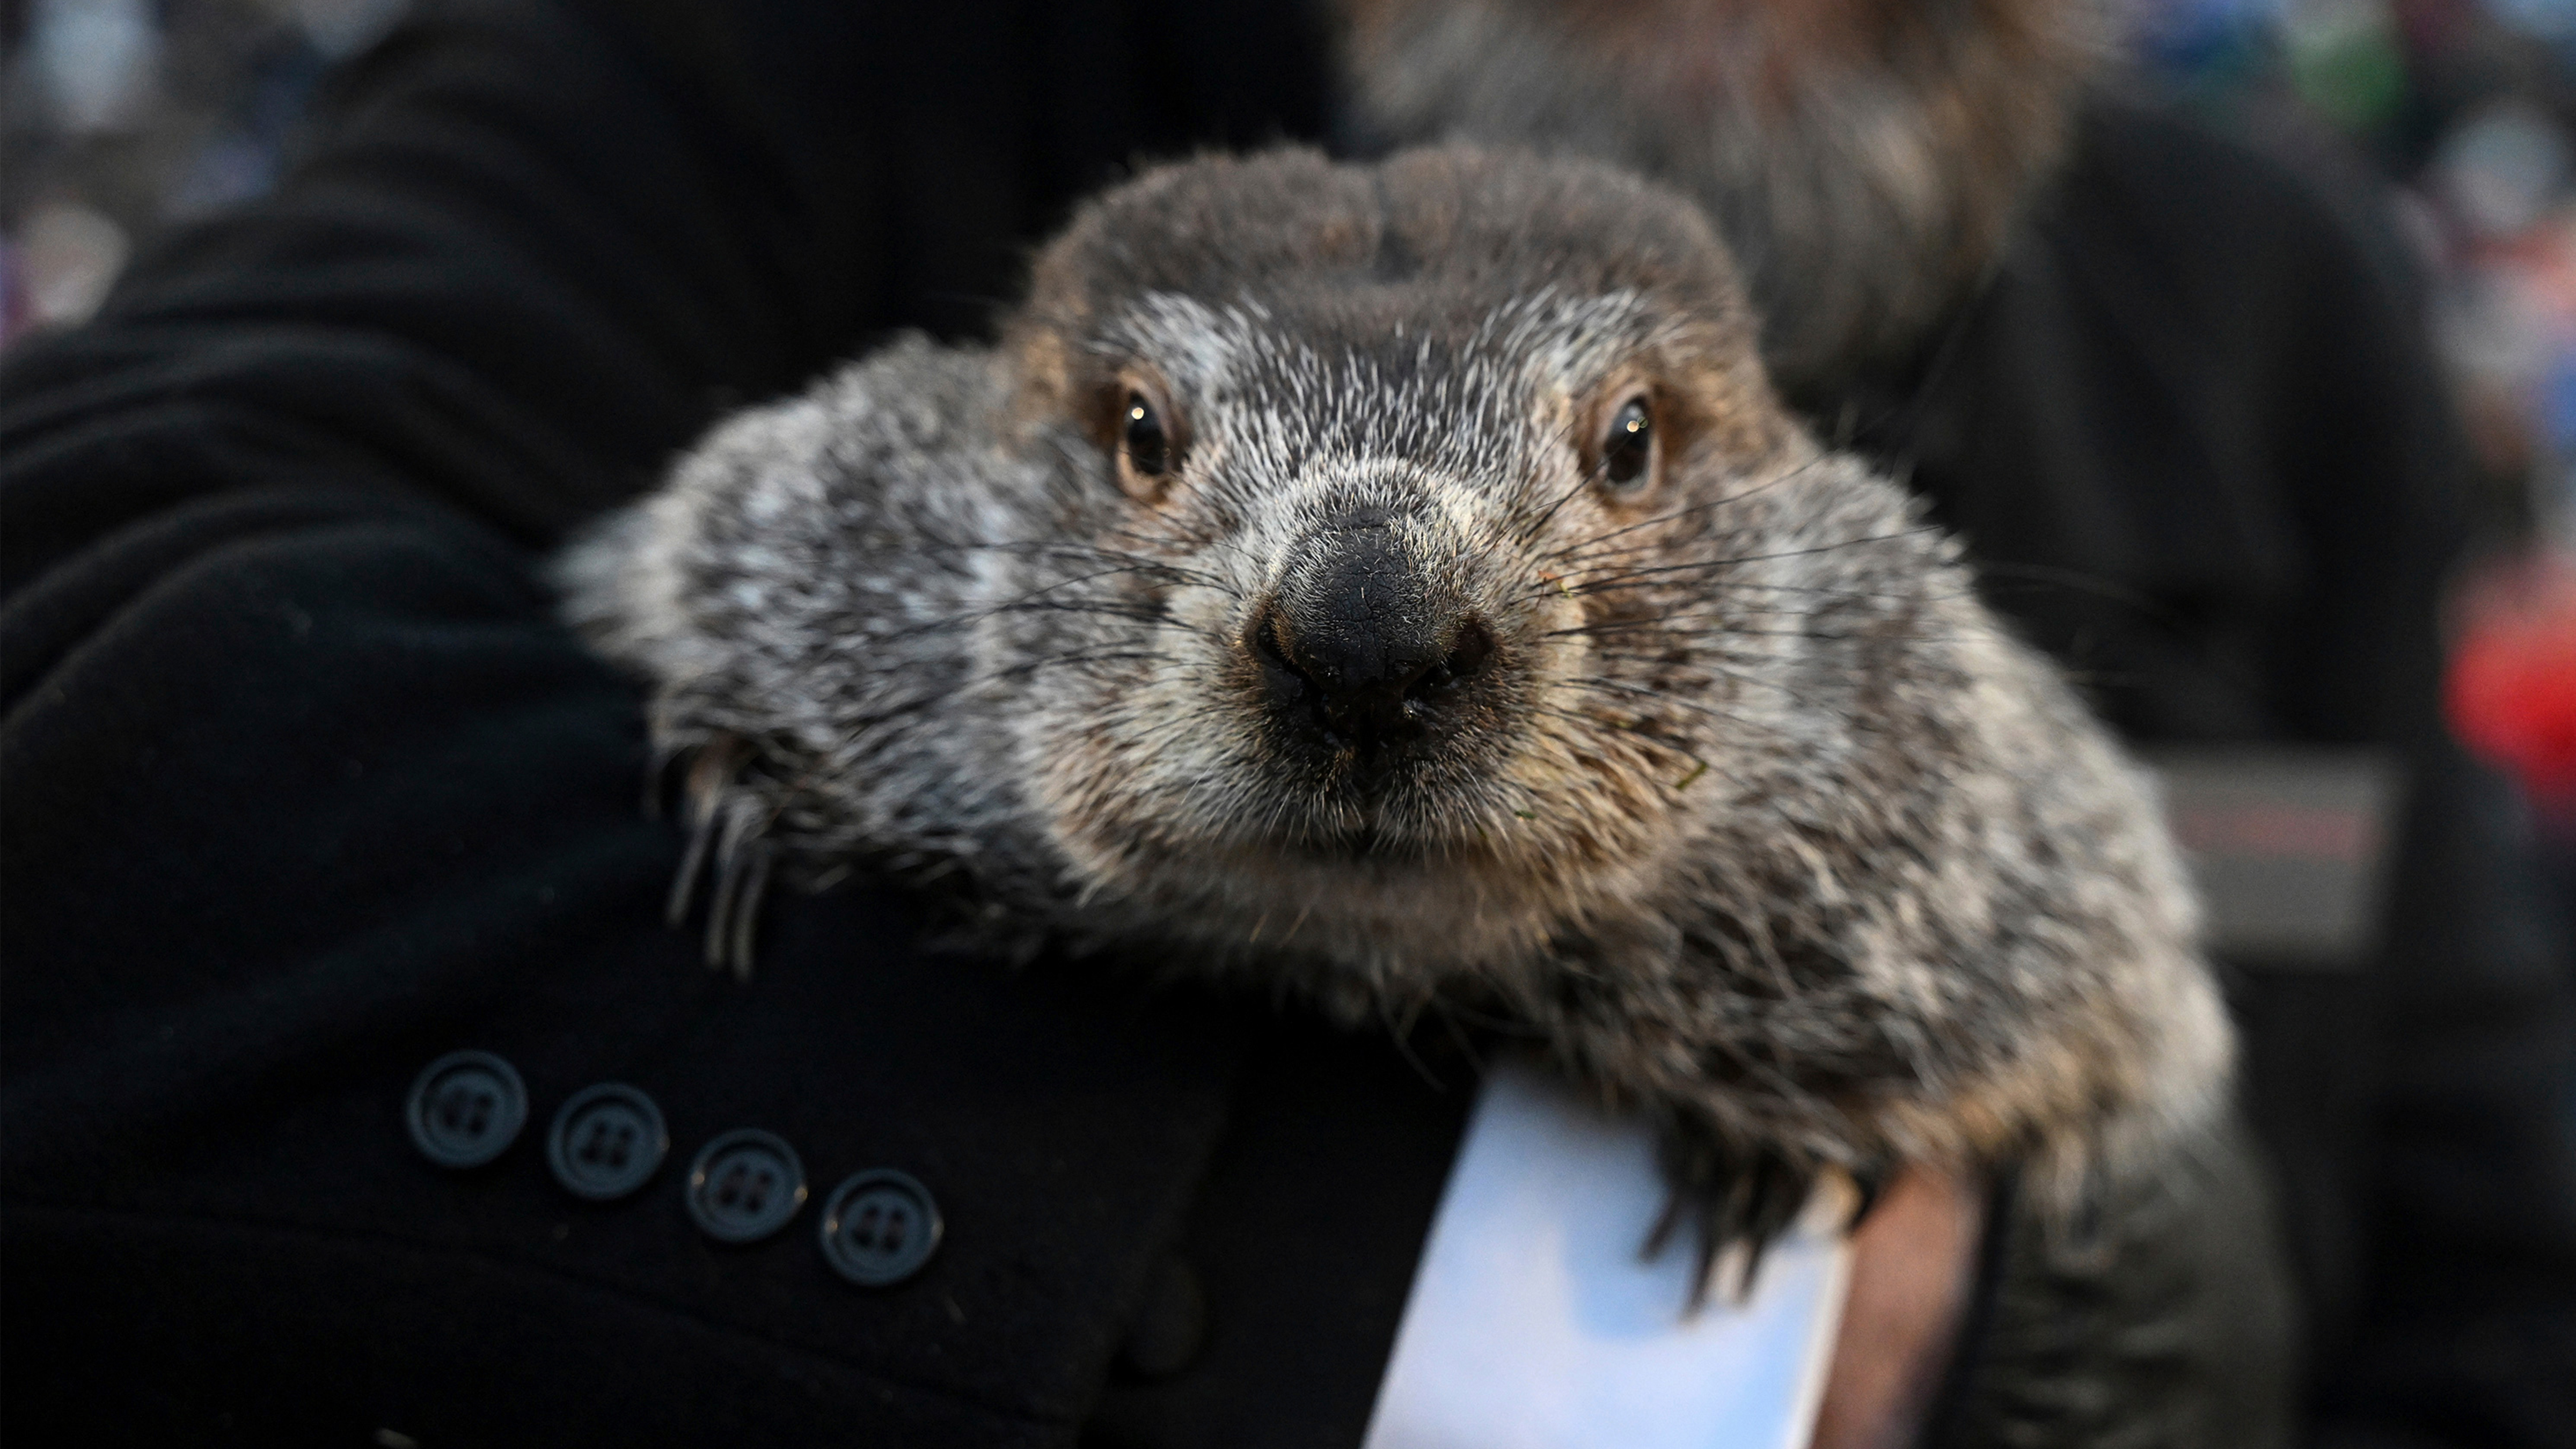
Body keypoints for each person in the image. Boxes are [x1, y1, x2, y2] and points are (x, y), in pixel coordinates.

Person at [2, 1, 2567, 1445]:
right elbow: (93, 651)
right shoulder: (768, 76)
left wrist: (2074, 1316)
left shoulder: (2275, 310)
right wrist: (1573, 1317)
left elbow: (2470, 1246)